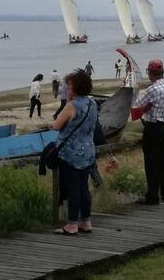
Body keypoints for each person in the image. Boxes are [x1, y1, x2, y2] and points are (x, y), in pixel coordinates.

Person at [51, 70, 98, 235]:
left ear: (75, 87)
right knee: (84, 187)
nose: (67, 88)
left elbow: (56, 125)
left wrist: (68, 102)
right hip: (88, 150)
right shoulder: (93, 103)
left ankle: (71, 223)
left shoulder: (72, 106)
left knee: (73, 188)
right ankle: (86, 221)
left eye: (69, 85)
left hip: (70, 153)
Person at [130, 59, 164, 204]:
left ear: (151, 73)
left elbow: (138, 105)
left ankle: (152, 196)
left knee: (151, 163)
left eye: (148, 72)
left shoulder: (153, 89)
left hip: (153, 128)